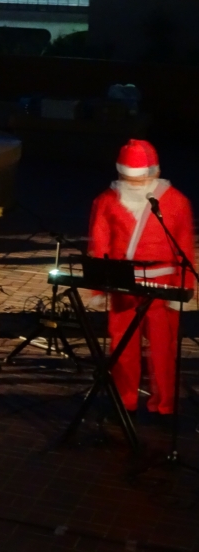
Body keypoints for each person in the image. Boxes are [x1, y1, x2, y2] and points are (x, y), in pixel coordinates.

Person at [88, 139, 195, 415]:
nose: (134, 184)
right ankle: (125, 400)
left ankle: (165, 404)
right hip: (123, 282)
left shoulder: (177, 202)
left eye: (140, 179)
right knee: (122, 345)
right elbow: (98, 246)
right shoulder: (105, 202)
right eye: (127, 179)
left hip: (163, 283)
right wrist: (99, 290)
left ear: (155, 173)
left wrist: (183, 290)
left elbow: (184, 247)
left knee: (163, 348)